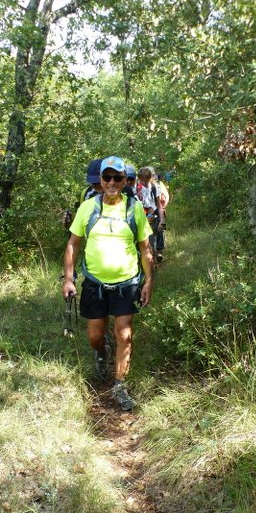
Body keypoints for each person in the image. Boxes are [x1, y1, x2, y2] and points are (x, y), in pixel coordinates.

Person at [62, 156, 154, 411]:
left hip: (127, 283)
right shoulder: (88, 208)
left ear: (125, 181)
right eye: (107, 177)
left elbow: (145, 248)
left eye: (118, 178)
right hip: (95, 284)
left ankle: (119, 385)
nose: (112, 182)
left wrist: (148, 281)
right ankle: (101, 353)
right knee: (95, 335)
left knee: (124, 334)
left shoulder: (133, 209)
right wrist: (69, 279)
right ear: (100, 181)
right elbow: (73, 244)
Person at [62, 159, 103, 229]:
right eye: (93, 183)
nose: (95, 185)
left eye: (97, 182)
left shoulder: (122, 192)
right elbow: (81, 220)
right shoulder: (87, 194)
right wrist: (70, 223)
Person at [137, 166, 165, 262]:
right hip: (142, 215)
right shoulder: (136, 189)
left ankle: (159, 250)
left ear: (150, 178)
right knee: (147, 238)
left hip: (155, 212)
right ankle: (149, 256)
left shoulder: (154, 187)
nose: (144, 182)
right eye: (142, 180)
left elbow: (159, 204)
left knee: (160, 229)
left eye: (146, 180)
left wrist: (162, 219)